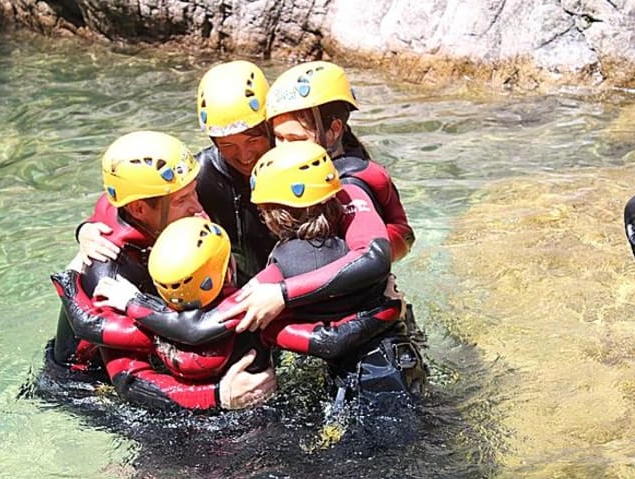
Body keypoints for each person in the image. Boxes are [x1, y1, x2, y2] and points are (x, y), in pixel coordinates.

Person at [99, 142, 426, 399]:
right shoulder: (356, 249)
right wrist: (384, 311)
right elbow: (340, 328)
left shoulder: (281, 268)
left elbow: (201, 327)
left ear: (273, 215)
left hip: (356, 383)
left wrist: (132, 303)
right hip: (402, 363)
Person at [50, 130, 276, 411]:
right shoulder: (108, 276)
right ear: (139, 208)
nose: (197, 208)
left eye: (194, 192)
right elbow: (129, 382)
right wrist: (219, 396)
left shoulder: (158, 210)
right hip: (92, 387)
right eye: (183, 200)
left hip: (165, 340)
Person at [79, 60, 277, 287]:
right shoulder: (204, 173)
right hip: (243, 290)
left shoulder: (301, 164)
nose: (244, 157)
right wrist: (86, 230)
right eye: (228, 145)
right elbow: (134, 197)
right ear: (213, 140)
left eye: (254, 139)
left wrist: (283, 292)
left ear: (270, 125)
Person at [265, 60, 416, 262]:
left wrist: (281, 292)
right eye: (279, 137)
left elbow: (373, 254)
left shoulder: (348, 186)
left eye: (296, 140)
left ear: (334, 130)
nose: (283, 149)